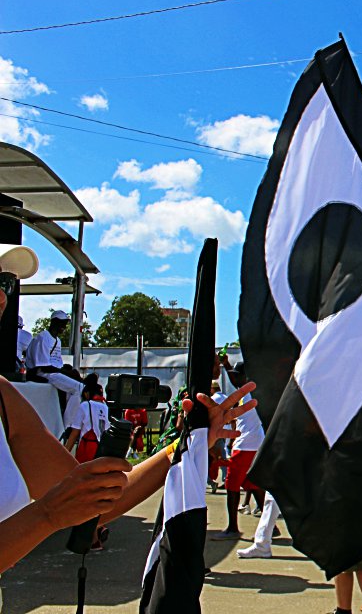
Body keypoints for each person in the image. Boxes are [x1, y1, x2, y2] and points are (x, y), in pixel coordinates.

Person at [0, 243, 261, 573]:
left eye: (3, 284)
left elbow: (93, 505)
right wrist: (47, 515)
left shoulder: (6, 399)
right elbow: (61, 507)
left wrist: (183, 446)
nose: (1, 298)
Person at [211, 361, 265, 540]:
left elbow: (236, 382)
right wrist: (226, 365)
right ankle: (269, 525)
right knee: (252, 484)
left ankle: (233, 528)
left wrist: (226, 366)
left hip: (245, 445)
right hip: (253, 444)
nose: (234, 377)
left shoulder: (249, 392)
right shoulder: (249, 393)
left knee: (231, 486)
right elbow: (236, 381)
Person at [24, 310, 85, 425]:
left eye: (65, 324)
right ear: (54, 322)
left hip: (52, 372)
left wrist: (65, 370)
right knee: (78, 388)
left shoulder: (58, 341)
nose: (64, 326)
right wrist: (63, 372)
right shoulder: (43, 338)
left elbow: (57, 363)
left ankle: (67, 418)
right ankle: (67, 425)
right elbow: (43, 366)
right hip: (42, 373)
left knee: (76, 384)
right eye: (62, 323)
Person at [62, 383, 109, 463]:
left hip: (87, 450)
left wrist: (64, 455)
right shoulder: (107, 407)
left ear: (86, 394)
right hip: (103, 451)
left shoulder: (85, 405)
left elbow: (74, 434)